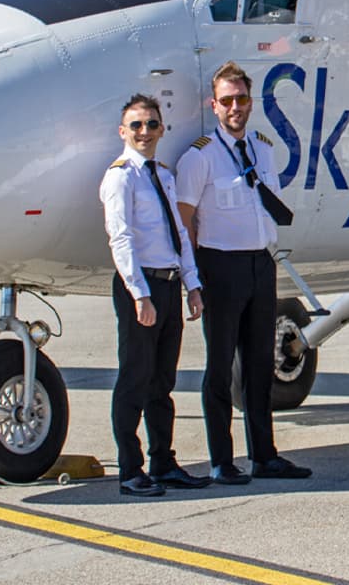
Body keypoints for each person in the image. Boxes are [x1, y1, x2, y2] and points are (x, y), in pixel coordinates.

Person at [176, 61, 312, 485]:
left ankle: (264, 455)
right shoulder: (200, 157)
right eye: (227, 100)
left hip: (259, 263)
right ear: (213, 105)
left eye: (242, 99)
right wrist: (193, 278)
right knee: (219, 367)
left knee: (258, 365)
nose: (236, 107)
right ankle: (222, 460)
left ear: (251, 103)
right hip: (220, 265)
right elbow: (185, 220)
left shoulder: (263, 148)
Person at [100, 94, 210, 496]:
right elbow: (121, 237)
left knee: (162, 381)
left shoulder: (162, 174)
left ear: (162, 129)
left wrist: (192, 284)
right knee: (134, 378)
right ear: (123, 132)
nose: (144, 132)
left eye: (151, 124)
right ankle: (131, 469)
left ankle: (164, 461)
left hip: (167, 283)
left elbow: (179, 234)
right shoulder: (120, 176)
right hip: (140, 286)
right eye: (136, 125)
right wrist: (139, 295)